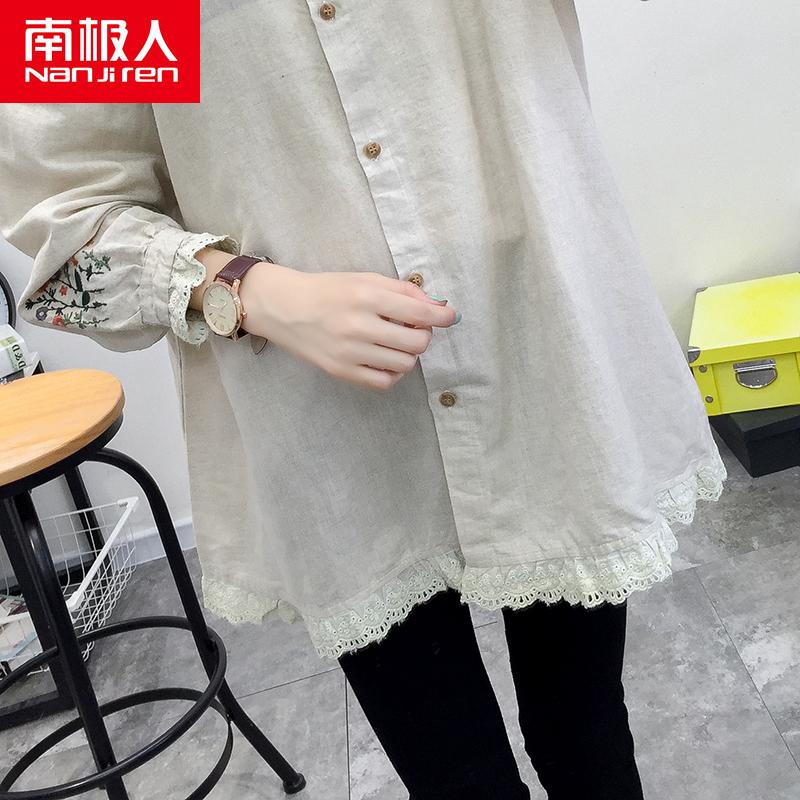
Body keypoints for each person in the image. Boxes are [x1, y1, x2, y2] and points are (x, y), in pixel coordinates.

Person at [0, 1, 727, 797]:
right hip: (323, 417)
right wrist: (247, 290)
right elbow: (66, 234)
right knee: (457, 780)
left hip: (540, 348)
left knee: (589, 736)